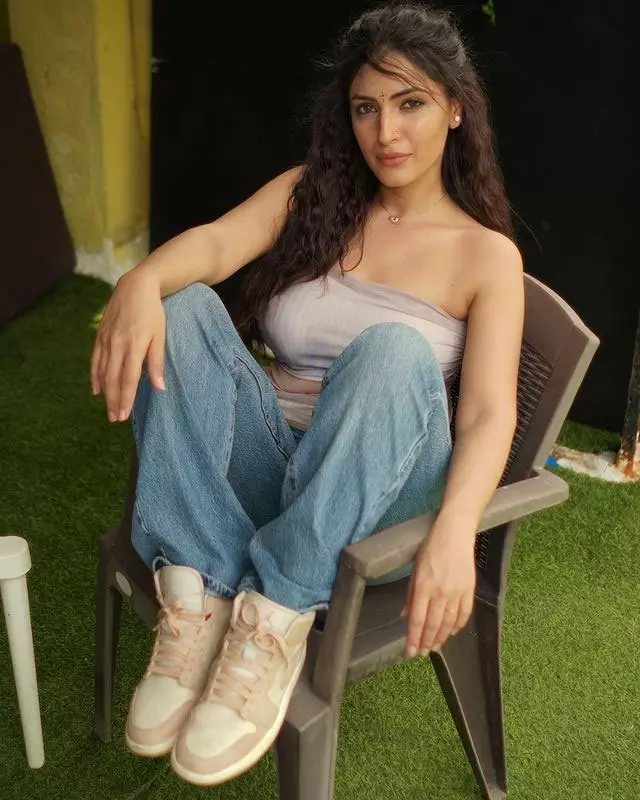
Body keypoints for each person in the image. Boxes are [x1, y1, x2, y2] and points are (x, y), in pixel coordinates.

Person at [90, 1, 524, 788]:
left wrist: (459, 529)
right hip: (272, 472)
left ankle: (273, 620)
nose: (386, 133)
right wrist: (141, 280)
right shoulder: (314, 196)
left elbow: (491, 413)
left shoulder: (485, 256)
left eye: (411, 103)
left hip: (375, 502)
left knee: (393, 350)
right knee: (183, 307)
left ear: (456, 108)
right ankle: (199, 596)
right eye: (366, 108)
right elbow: (217, 243)